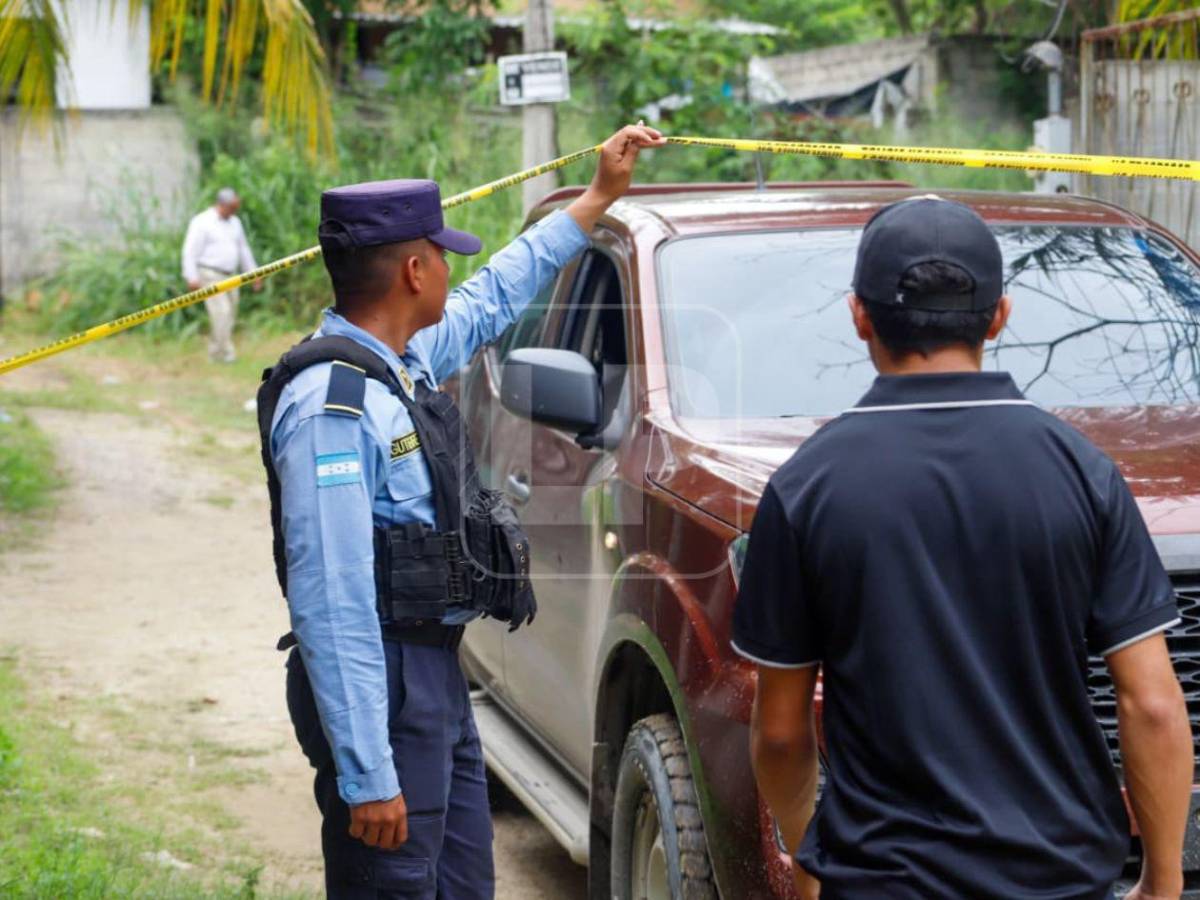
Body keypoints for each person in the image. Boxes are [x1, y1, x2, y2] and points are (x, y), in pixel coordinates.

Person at [732, 197, 1193, 900]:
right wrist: (1161, 880)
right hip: (1060, 878)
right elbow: (1153, 705)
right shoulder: (1081, 471)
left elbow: (780, 733)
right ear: (1000, 316)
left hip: (883, 880)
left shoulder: (806, 488)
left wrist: (807, 855)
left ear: (859, 317)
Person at [258, 124, 663, 899]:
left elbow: (495, 294)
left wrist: (595, 200)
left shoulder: (401, 361)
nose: (453, 269)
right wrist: (368, 773)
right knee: (393, 884)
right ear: (415, 270)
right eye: (443, 254)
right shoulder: (332, 409)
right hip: (386, 686)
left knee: (461, 884)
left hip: (434, 675)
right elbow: (333, 601)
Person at [181, 187, 261, 363]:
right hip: (210, 273)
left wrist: (254, 273)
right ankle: (225, 354)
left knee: (230, 313)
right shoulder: (202, 222)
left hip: (232, 276)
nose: (234, 211)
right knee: (221, 312)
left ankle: (217, 351)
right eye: (232, 207)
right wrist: (191, 276)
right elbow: (190, 251)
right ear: (222, 204)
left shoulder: (235, 222)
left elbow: (243, 249)